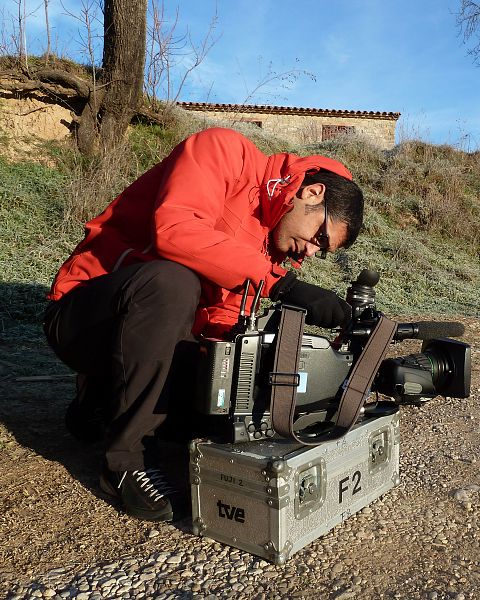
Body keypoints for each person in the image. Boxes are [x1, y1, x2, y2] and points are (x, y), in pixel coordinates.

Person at [43, 127, 364, 522]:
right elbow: (174, 231)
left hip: (150, 337)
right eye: (319, 238)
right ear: (312, 194)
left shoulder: (268, 246)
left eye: (321, 251)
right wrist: (280, 285)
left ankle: (100, 399)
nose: (311, 252)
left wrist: (241, 375)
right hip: (84, 316)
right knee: (172, 281)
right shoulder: (224, 151)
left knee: (213, 401)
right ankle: (124, 461)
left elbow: (220, 319)